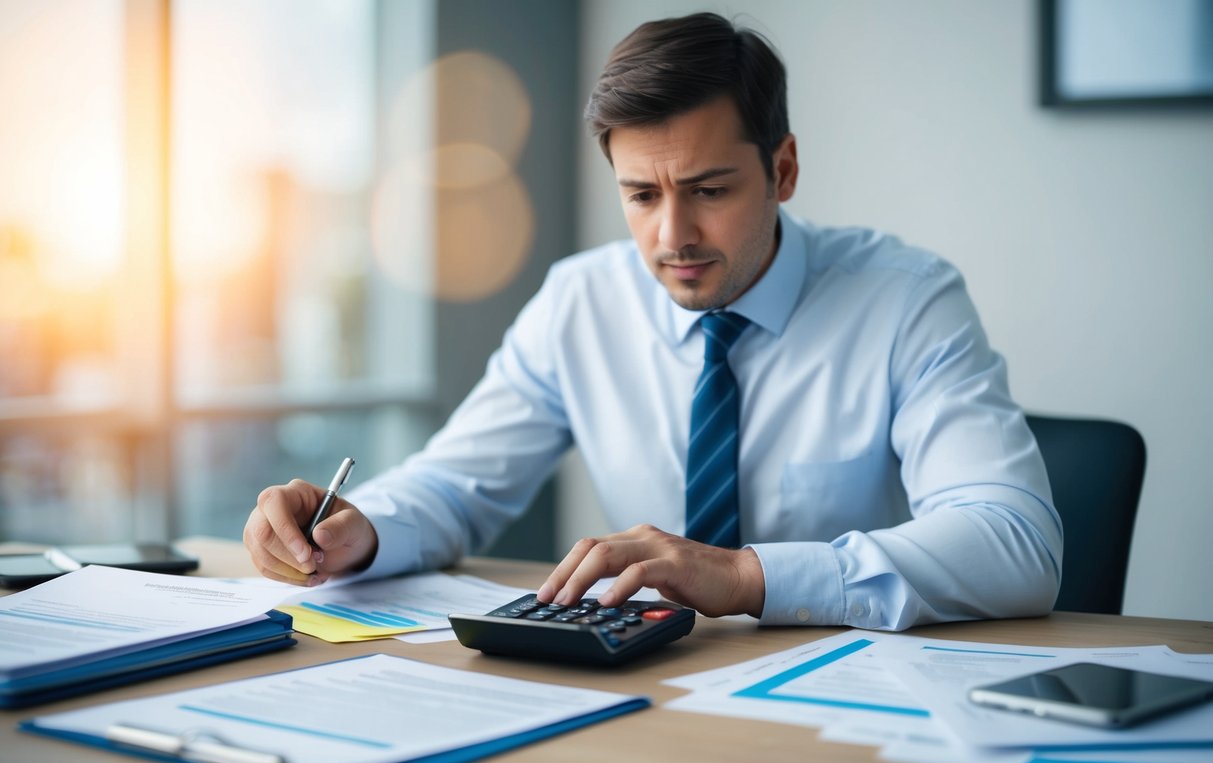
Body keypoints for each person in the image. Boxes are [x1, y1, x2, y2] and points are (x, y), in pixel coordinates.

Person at [244, 12, 1061, 631]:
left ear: (782, 169)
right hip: (652, 691)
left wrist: (745, 577)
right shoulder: (580, 301)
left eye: (708, 190)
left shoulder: (905, 299)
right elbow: (457, 484)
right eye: (641, 195)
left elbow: (1015, 544)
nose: (673, 238)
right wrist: (359, 532)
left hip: (856, 695)